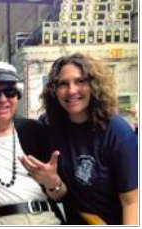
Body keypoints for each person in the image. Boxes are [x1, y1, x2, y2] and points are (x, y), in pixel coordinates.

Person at [21, 53, 138, 225]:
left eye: (80, 81)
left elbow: (132, 202)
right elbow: (61, 195)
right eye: (63, 84)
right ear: (54, 90)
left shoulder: (116, 132)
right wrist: (52, 182)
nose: (72, 90)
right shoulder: (49, 126)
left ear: (94, 86)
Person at [0, 62, 62, 225]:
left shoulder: (34, 131)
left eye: (10, 92)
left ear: (17, 95)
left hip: (46, 219)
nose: (2, 99)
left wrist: (52, 182)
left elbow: (60, 195)